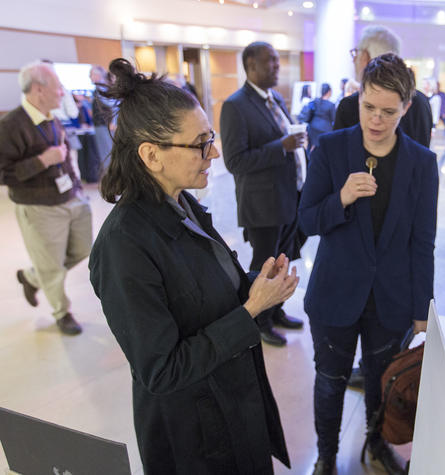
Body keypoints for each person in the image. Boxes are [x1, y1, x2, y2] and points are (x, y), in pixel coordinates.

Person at [88, 58, 298, 474]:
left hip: (232, 400)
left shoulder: (182, 204)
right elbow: (161, 370)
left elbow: (210, 291)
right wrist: (252, 310)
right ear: (151, 155)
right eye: (200, 143)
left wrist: (259, 285)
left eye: (211, 138)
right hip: (195, 436)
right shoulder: (123, 246)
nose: (214, 153)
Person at [299, 53, 438, 475]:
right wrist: (339, 198)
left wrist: (421, 310)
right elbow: (306, 219)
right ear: (358, 98)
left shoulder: (421, 163)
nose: (376, 120)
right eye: (368, 107)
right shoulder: (330, 147)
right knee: (330, 382)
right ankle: (326, 455)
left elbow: (423, 241)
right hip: (335, 291)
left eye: (388, 112)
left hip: (391, 298)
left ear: (407, 108)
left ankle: (376, 445)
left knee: (384, 382)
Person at [220, 41, 307, 347]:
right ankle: (259, 320)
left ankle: (277, 311)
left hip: (288, 197)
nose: (276, 66)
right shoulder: (236, 105)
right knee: (266, 266)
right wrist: (281, 147)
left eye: (277, 60)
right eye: (269, 61)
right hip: (262, 204)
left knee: (284, 260)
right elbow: (235, 161)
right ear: (250, 65)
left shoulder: (275, 99)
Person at [0, 60, 92, 336]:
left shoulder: (53, 118)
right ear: (39, 89)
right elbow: (3, 173)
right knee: (51, 266)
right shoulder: (10, 126)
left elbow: (64, 159)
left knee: (84, 249)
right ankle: (62, 312)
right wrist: (41, 161)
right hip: (39, 207)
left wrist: (77, 189)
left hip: (70, 198)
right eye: (58, 87)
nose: (63, 92)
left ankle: (31, 276)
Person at [334, 25, 433, 148]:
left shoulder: (350, 105)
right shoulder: (421, 101)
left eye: (356, 53)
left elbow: (336, 159)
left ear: (365, 57)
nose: (354, 60)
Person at [89, 64, 116, 173]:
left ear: (97, 75)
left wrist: (113, 121)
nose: (90, 77)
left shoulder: (102, 89)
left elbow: (113, 105)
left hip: (104, 125)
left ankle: (112, 178)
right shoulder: (100, 89)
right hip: (102, 125)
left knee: (107, 153)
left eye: (91, 75)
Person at [298, 82, 336, 151]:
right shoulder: (331, 105)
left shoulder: (315, 101)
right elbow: (334, 118)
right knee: (324, 149)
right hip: (325, 129)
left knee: (312, 148)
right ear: (329, 92)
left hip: (312, 127)